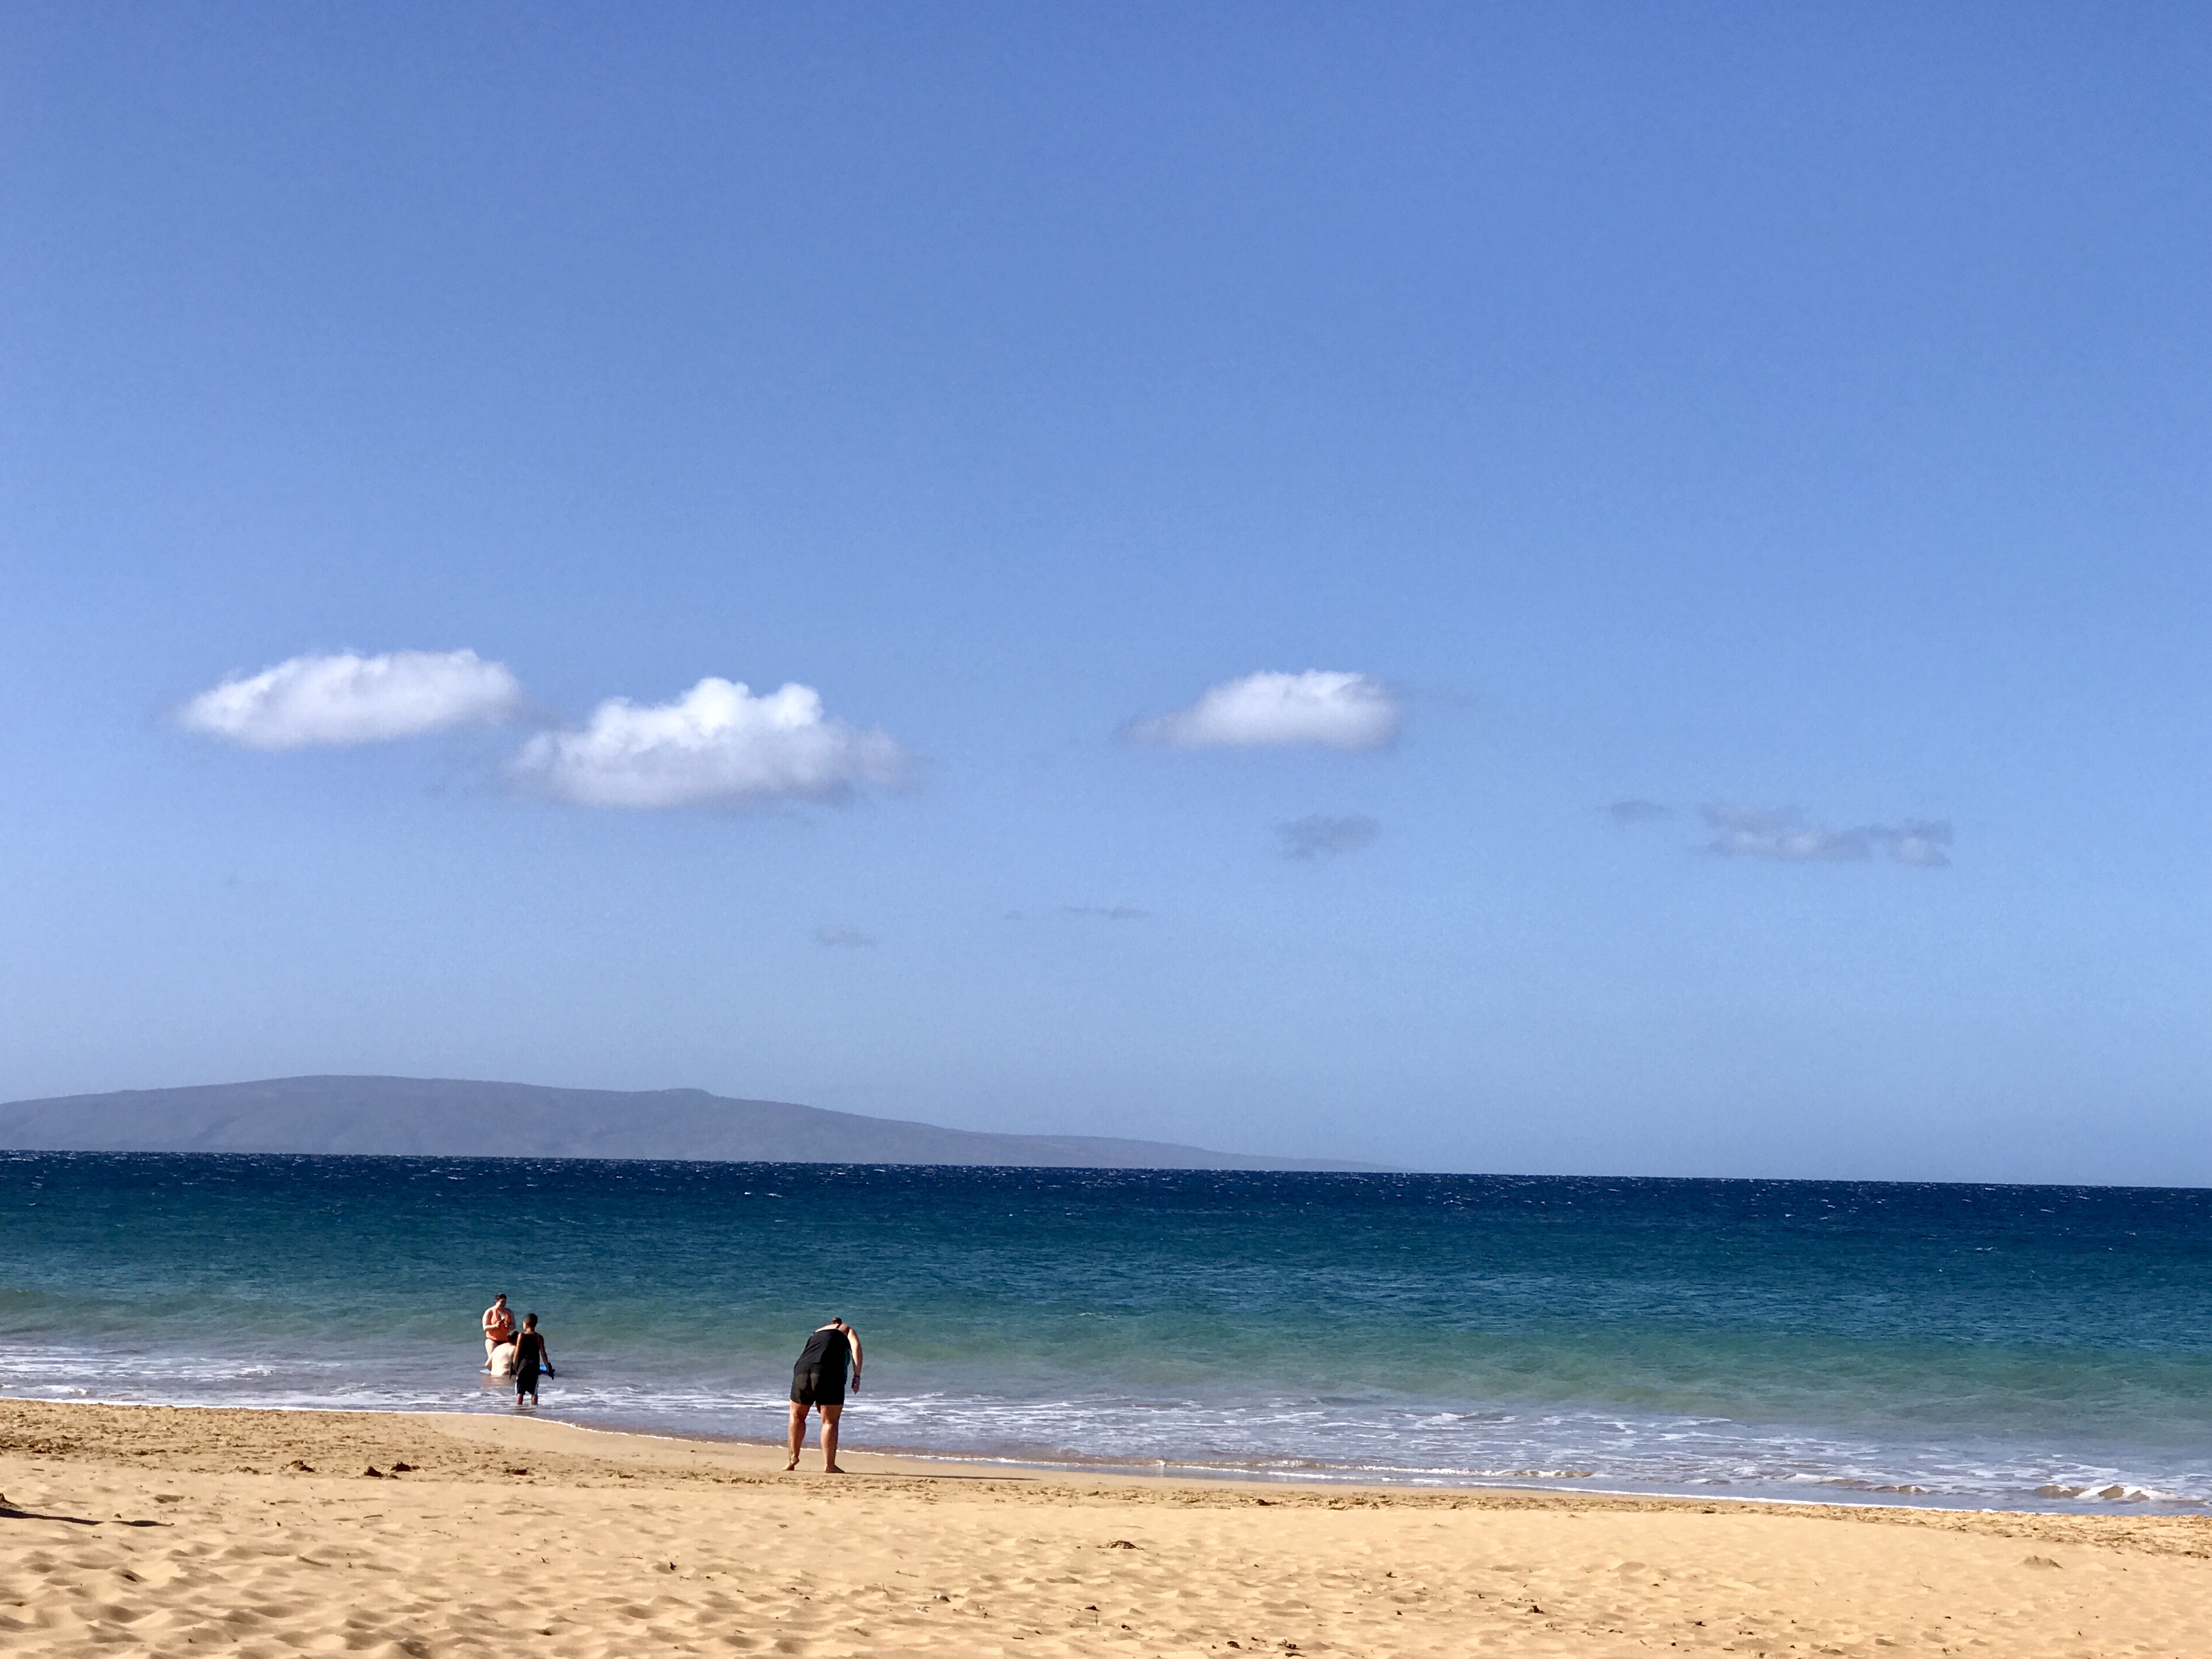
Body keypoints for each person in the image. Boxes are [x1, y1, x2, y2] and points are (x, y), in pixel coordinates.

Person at [786, 1317, 861, 1473]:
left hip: (802, 1369)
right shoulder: (846, 1330)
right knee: (830, 1421)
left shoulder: (817, 1333)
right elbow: (856, 1348)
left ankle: (793, 1457)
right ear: (839, 1324)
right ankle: (829, 1465)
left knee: (797, 1416)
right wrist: (857, 1375)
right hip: (827, 1370)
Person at [512, 1313, 550, 1407]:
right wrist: (548, 1367)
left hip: (523, 1368)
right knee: (534, 1392)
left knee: (520, 1392)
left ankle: (518, 1408)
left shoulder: (521, 1336)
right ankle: (534, 1409)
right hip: (534, 1368)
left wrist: (514, 1365)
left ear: (525, 1324)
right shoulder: (539, 1337)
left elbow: (517, 1352)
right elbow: (543, 1354)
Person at [482, 1294, 516, 1370]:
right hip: (493, 1340)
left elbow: (514, 1326)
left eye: (505, 1302)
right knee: (493, 1361)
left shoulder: (509, 1312)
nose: (504, 1304)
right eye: (502, 1302)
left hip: (506, 1341)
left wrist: (508, 1326)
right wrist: (495, 1326)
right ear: (496, 1301)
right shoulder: (490, 1312)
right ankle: (493, 1374)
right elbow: (485, 1328)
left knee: (506, 1360)